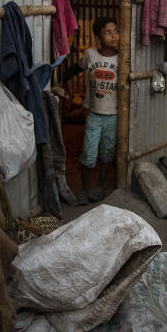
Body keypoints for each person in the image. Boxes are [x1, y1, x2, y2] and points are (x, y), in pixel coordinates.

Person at [68, 16, 120, 204]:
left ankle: (99, 187)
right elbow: (76, 68)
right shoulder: (91, 55)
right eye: (108, 32)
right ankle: (84, 189)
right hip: (93, 114)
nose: (114, 36)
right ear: (99, 38)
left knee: (107, 153)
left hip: (113, 115)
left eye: (115, 31)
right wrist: (59, 79)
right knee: (88, 153)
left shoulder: (123, 59)